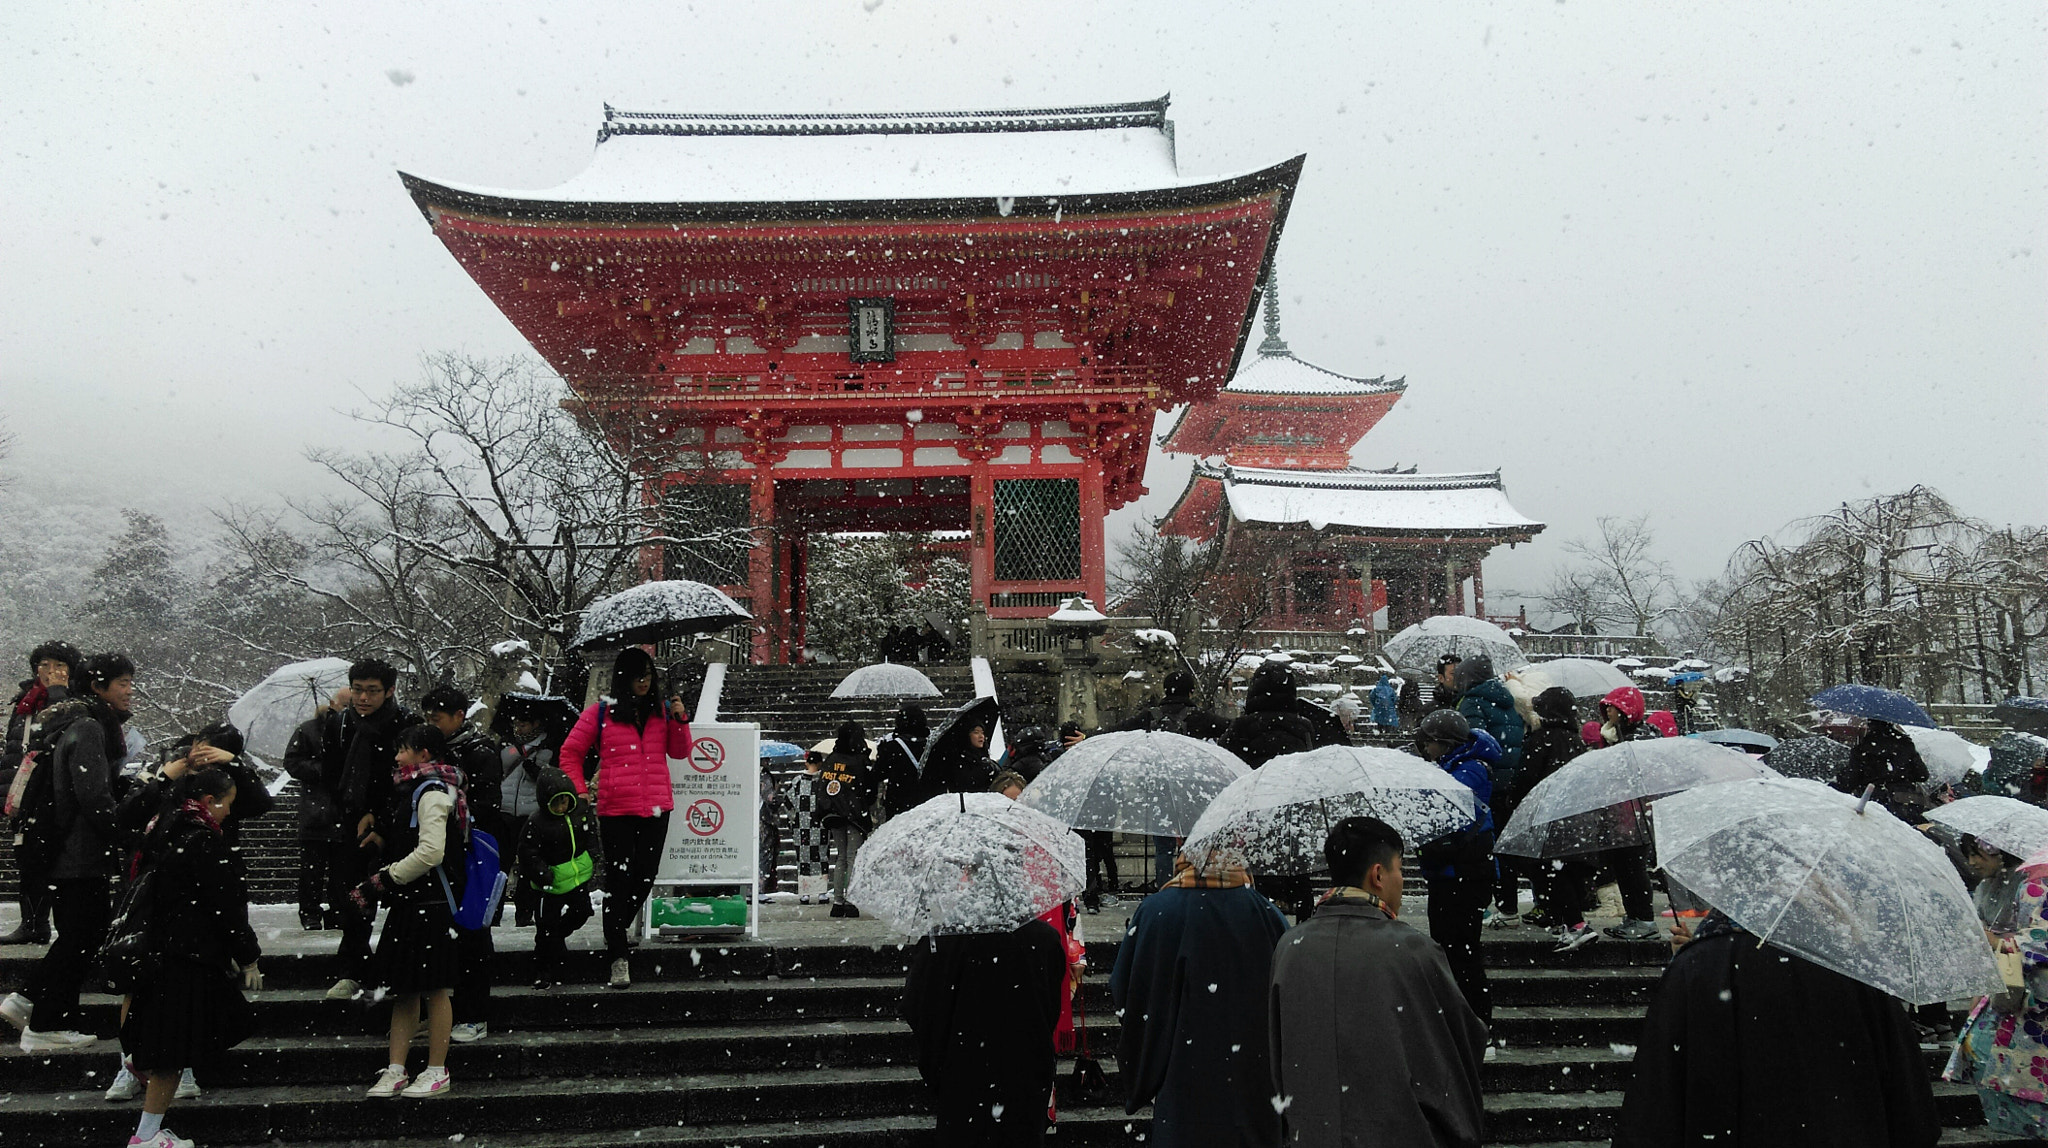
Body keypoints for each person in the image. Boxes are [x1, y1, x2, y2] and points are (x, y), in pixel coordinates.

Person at [1615, 907, 1939, 1146]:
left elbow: (1654, 1099)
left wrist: (1695, 958)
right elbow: (1911, 1107)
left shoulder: (1701, 964)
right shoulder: (1854, 965)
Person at [1268, 816, 1488, 1148]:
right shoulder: (1413, 950)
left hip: (1311, 1131)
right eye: (1398, 869)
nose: (1401, 878)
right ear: (1378, 874)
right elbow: (1458, 1045)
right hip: (1399, 1131)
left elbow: (1277, 1054)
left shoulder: (1290, 947)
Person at [114, 766, 261, 1148]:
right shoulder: (203, 841)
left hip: (162, 952)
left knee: (173, 1044)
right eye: (228, 803)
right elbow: (225, 904)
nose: (230, 812)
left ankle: (139, 1068)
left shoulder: (165, 829)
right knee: (174, 1052)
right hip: (187, 955)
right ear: (211, 802)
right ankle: (146, 1136)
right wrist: (247, 955)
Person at [1109, 847, 1291, 1147]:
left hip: (1181, 1087)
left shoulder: (1157, 911)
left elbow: (1127, 992)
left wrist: (1150, 1061)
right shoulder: (1266, 914)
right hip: (1253, 1091)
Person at [2, 652, 133, 1053]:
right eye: (123, 683)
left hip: (64, 848)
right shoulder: (89, 727)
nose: (130, 691)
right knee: (82, 935)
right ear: (97, 686)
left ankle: (28, 1001)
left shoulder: (70, 723)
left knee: (79, 935)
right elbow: (93, 798)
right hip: (78, 852)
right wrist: (124, 825)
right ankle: (45, 1025)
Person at [559, 648, 692, 989]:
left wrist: (680, 719)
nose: (644, 681)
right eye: (637, 675)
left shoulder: (663, 711)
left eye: (648, 674)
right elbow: (570, 752)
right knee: (620, 880)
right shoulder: (601, 713)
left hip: (657, 808)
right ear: (624, 677)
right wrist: (580, 791)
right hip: (616, 809)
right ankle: (618, 954)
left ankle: (613, 927)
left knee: (645, 876)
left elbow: (679, 752)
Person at [350, 722, 467, 1099]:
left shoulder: (432, 791)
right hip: (412, 903)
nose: (397, 756)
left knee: (434, 989)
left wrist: (384, 879)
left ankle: (437, 1069)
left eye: (404, 749)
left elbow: (431, 852)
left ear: (424, 755)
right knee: (404, 990)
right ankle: (396, 1068)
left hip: (429, 903)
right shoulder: (413, 790)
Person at [309, 659, 421, 1001]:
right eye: (357, 689)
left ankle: (397, 972)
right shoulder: (340, 724)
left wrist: (380, 817)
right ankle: (353, 970)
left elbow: (408, 777)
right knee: (351, 898)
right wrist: (350, 811)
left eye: (372, 691)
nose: (363, 698)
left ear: (389, 691)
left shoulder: (405, 725)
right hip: (349, 824)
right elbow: (330, 773)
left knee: (401, 898)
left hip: (396, 823)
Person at [902, 917, 1067, 1145]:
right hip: (1025, 1073)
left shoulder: (943, 938)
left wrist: (938, 1064)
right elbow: (1050, 1008)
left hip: (962, 1072)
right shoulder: (1044, 938)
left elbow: (918, 1007)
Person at [1946, 841, 2048, 1135]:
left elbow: (2038, 938)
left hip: (2034, 996)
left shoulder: (2036, 882)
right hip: (2023, 992)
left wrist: (2000, 942)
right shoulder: (2032, 878)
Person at [421, 684, 502, 1044]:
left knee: (472, 932)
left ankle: (473, 1013)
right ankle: (436, 1012)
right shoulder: (429, 751)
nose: (430, 723)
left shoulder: (480, 751)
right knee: (435, 937)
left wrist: (451, 811)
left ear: (458, 716)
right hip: (437, 855)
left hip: (469, 856)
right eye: (427, 717)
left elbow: (489, 803)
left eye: (436, 717)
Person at [1413, 709, 1498, 1027]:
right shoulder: (1453, 767)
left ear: (1444, 743)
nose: (1426, 748)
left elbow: (1448, 814)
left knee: (1463, 954)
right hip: (1449, 875)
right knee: (1449, 951)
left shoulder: (1470, 770)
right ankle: (1458, 1020)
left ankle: (1478, 1023)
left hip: (1464, 876)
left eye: (1430, 742)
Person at [2, 639, 83, 945]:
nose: (51, 672)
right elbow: (13, 750)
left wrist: (57, 693)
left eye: (59, 666)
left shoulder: (73, 701)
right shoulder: (25, 701)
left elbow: (61, 729)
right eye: (45, 665)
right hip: (25, 788)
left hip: (53, 789)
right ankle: (31, 922)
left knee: (48, 858)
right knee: (25, 857)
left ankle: (45, 923)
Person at [1504, 687, 1598, 949]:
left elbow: (1526, 780)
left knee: (1552, 871)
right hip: (1574, 818)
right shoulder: (1575, 741)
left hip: (1547, 818)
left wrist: (1514, 801)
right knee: (1566, 870)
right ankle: (1567, 923)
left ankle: (1575, 925)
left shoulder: (1541, 739)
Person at [1588, 686, 1663, 943]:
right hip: (1617, 812)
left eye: (1612, 707)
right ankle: (1634, 916)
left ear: (1625, 711)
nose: (1608, 711)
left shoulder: (1639, 738)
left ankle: (1644, 919)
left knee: (1633, 866)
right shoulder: (1610, 737)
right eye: (1606, 707)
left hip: (1634, 813)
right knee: (1622, 865)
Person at [517, 766, 601, 990]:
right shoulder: (537, 822)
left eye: (565, 801)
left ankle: (556, 939)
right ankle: (542, 969)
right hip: (549, 885)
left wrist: (593, 858)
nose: (562, 807)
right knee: (545, 928)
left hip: (576, 879)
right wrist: (543, 873)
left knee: (582, 912)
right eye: (556, 803)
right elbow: (527, 852)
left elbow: (590, 835)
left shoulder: (580, 813)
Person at [282, 689, 353, 931]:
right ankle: (310, 914)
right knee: (312, 871)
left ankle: (337, 911)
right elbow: (292, 762)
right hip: (316, 811)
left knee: (340, 871)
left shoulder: (356, 730)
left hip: (344, 811)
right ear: (332, 704)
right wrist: (322, 769)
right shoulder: (308, 729)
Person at [497, 707, 558, 926]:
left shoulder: (549, 747)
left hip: (530, 813)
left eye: (523, 723)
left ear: (536, 724)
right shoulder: (506, 745)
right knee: (500, 864)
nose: (518, 727)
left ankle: (524, 913)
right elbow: (497, 772)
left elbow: (553, 779)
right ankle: (494, 911)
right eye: (517, 723)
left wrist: (537, 772)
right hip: (505, 811)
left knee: (527, 865)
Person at [818, 720, 877, 918]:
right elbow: (868, 790)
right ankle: (851, 899)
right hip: (854, 814)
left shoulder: (831, 758)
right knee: (853, 856)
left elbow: (823, 786)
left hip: (833, 813)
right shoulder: (859, 760)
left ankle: (837, 901)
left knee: (841, 857)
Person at [1834, 717, 1932, 823]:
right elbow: (1922, 775)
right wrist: (1902, 776)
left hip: (1875, 807)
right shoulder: (1905, 744)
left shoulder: (1863, 748)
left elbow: (1849, 781)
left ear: (1870, 724)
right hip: (1907, 805)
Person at [1221, 663, 1317, 769]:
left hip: (1252, 782)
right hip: (1295, 782)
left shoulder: (1241, 727)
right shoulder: (1304, 727)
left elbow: (1223, 762)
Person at [875, 704, 934, 818]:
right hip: (928, 806)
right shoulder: (933, 747)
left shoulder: (892, 747)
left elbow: (878, 774)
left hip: (899, 805)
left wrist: (882, 752)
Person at [788, 752, 829, 904]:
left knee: (803, 858)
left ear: (806, 763)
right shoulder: (824, 781)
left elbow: (788, 802)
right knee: (821, 857)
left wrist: (794, 819)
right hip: (821, 824)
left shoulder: (797, 781)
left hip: (801, 825)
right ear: (820, 764)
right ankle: (821, 892)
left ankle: (805, 893)